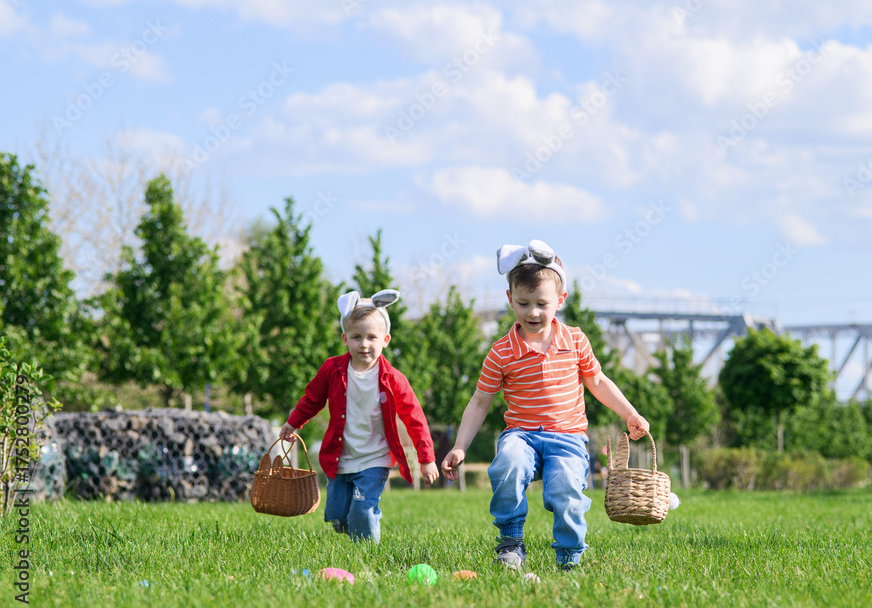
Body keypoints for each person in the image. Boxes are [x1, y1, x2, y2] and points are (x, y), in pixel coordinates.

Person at [441, 240, 650, 570]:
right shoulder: (502, 352)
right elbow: (480, 402)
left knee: (566, 488)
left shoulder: (576, 340)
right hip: (521, 435)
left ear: (560, 300)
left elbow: (597, 381)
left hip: (567, 437)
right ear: (510, 299)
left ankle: (569, 557)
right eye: (523, 303)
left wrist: (629, 413)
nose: (533, 312)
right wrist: (460, 445)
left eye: (542, 303)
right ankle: (511, 541)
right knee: (507, 464)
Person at [278, 289, 439, 543]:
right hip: (339, 456)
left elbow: (414, 418)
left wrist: (426, 458)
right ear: (345, 338)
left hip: (374, 458)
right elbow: (312, 398)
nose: (364, 344)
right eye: (356, 337)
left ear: (385, 340)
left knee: (363, 511)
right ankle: (350, 528)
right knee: (337, 515)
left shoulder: (393, 379)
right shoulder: (333, 369)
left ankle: (367, 553)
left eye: (371, 337)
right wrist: (293, 422)